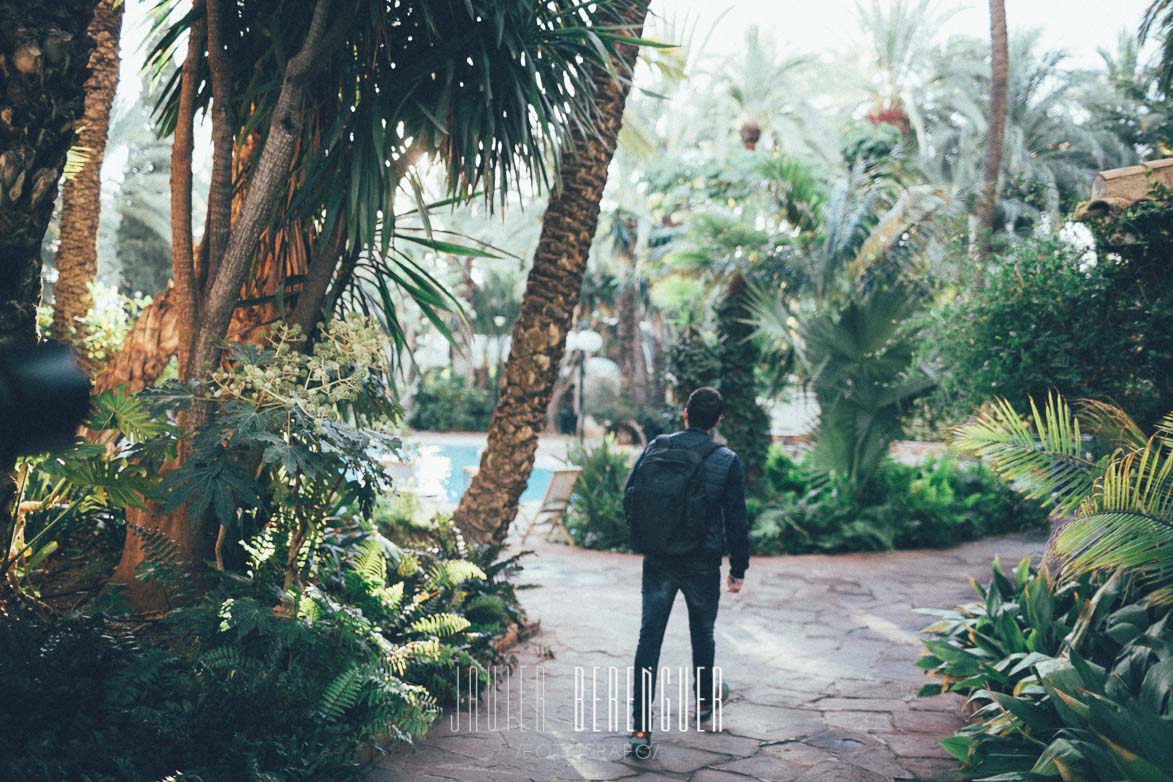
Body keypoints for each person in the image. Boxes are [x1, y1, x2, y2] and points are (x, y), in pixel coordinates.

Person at [625, 386, 749, 756]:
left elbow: (630, 494)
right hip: (702, 562)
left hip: (660, 559)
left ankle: (641, 730)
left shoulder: (657, 446)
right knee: (703, 634)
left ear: (684, 414)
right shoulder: (726, 459)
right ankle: (704, 703)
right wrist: (738, 568)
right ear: (717, 421)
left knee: (649, 639)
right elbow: (736, 520)